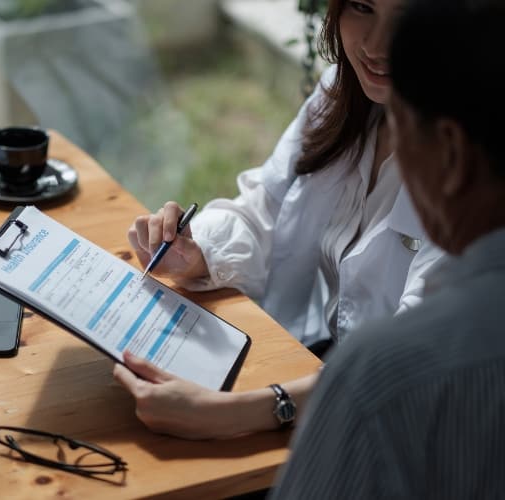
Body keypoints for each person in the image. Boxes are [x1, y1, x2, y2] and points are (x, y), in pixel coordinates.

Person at [113, 0, 444, 439]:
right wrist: (196, 253)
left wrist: (232, 413)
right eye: (362, 6)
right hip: (320, 377)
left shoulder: (477, 167)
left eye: (405, 16)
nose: (376, 45)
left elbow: (411, 360)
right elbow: (265, 207)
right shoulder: (343, 96)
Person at [271, 0, 505, 497]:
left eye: (400, 126)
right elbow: (266, 202)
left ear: (451, 151)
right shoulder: (344, 99)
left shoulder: (384, 376)